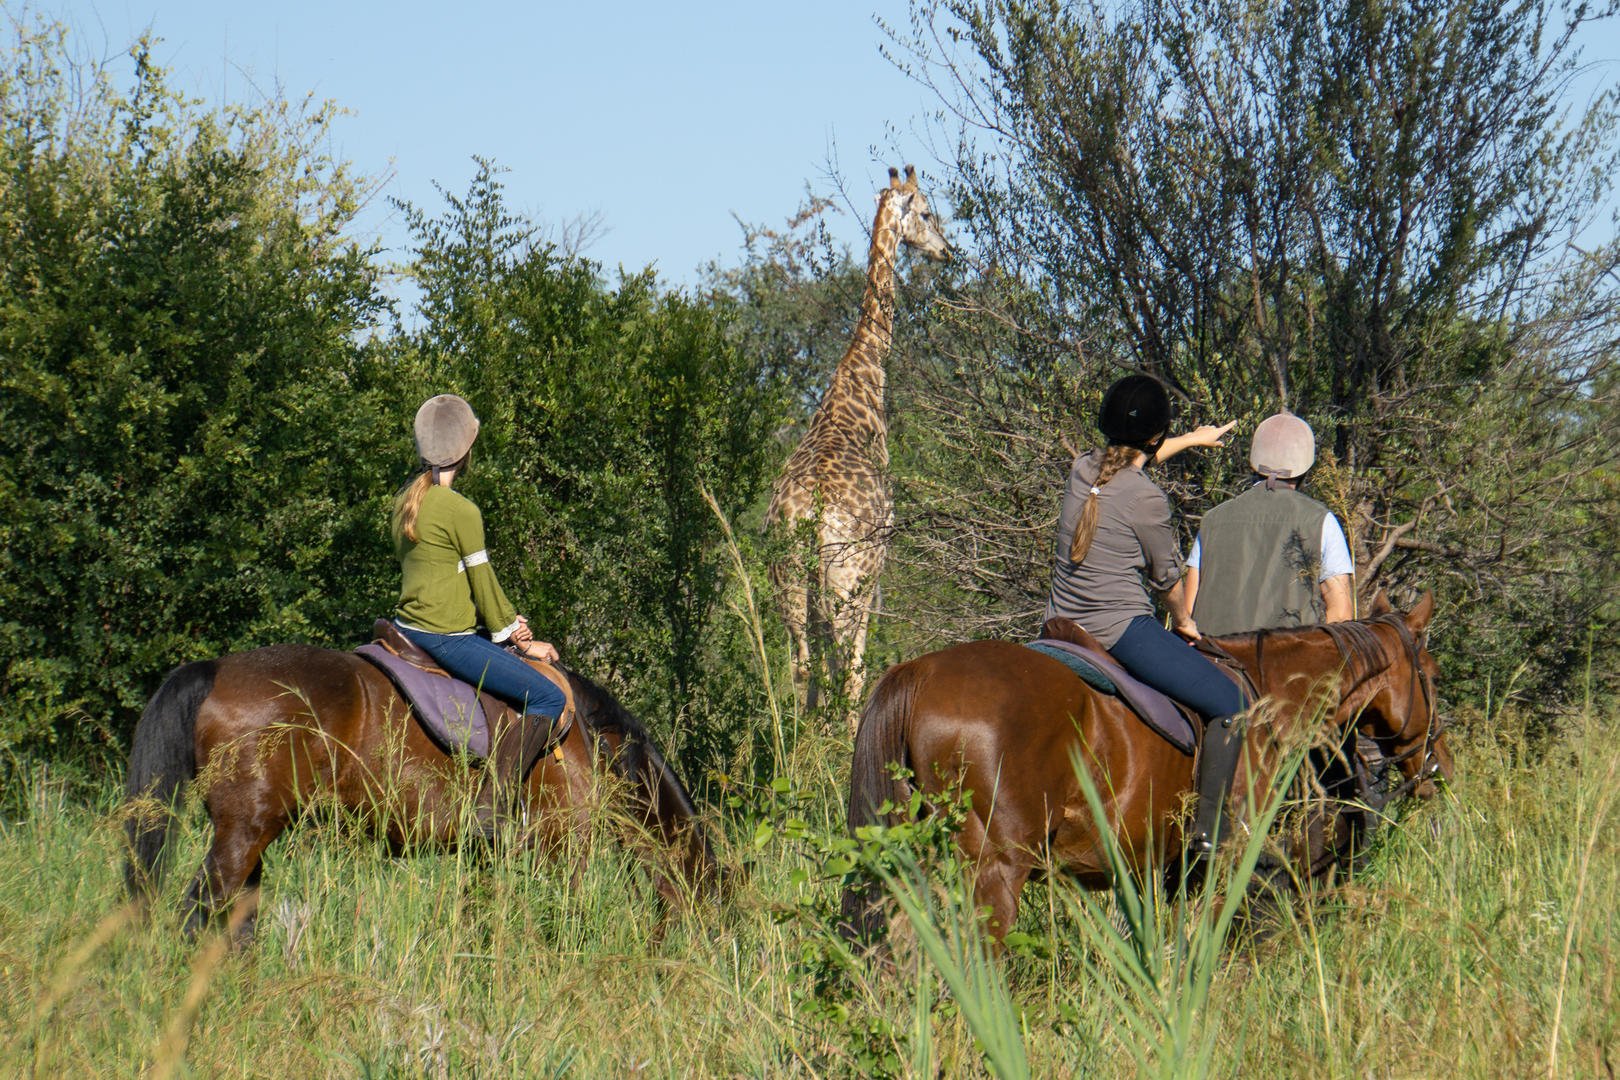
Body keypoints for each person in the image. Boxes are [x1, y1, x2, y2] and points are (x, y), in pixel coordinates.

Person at [1044, 375, 1242, 856]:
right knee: (1231, 703)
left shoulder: (1081, 468)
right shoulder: (1148, 500)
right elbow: (1168, 583)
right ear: (1156, 435)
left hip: (1061, 624)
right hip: (1119, 632)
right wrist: (1185, 622)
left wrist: (1194, 439)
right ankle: (1210, 835)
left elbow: (1133, 458)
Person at [391, 394, 565, 734]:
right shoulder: (461, 510)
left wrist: (505, 620)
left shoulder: (403, 502)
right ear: (465, 450)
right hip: (445, 637)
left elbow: (439, 572)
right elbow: (483, 582)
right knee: (550, 698)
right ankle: (499, 787)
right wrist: (518, 637)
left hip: (405, 627)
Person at [1183, 412, 1354, 637]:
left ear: (1254, 462)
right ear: (1305, 468)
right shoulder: (1321, 521)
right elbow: (1341, 615)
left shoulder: (1212, 519)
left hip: (1211, 661)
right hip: (1286, 665)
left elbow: (1187, 610)